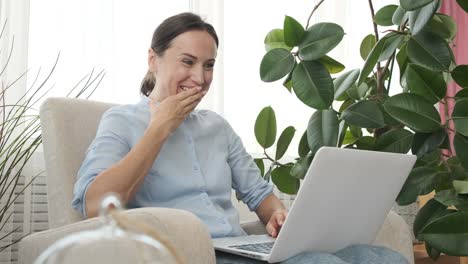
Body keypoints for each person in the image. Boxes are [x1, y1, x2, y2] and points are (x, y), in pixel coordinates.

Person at [71, 12, 409, 264]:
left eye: (208, 65)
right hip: (190, 254)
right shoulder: (121, 122)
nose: (199, 78)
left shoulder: (217, 127)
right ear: (152, 60)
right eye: (187, 62)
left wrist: (277, 213)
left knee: (380, 257)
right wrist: (160, 127)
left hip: (240, 250)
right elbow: (94, 204)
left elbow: (260, 195)